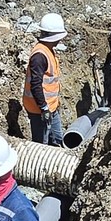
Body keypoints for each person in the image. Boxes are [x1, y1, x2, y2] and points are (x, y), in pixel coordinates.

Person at [23, 15, 66, 148]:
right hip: (39, 110)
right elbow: (36, 85)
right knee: (41, 145)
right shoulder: (39, 56)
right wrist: (43, 108)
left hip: (51, 107)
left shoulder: (48, 50)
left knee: (58, 139)